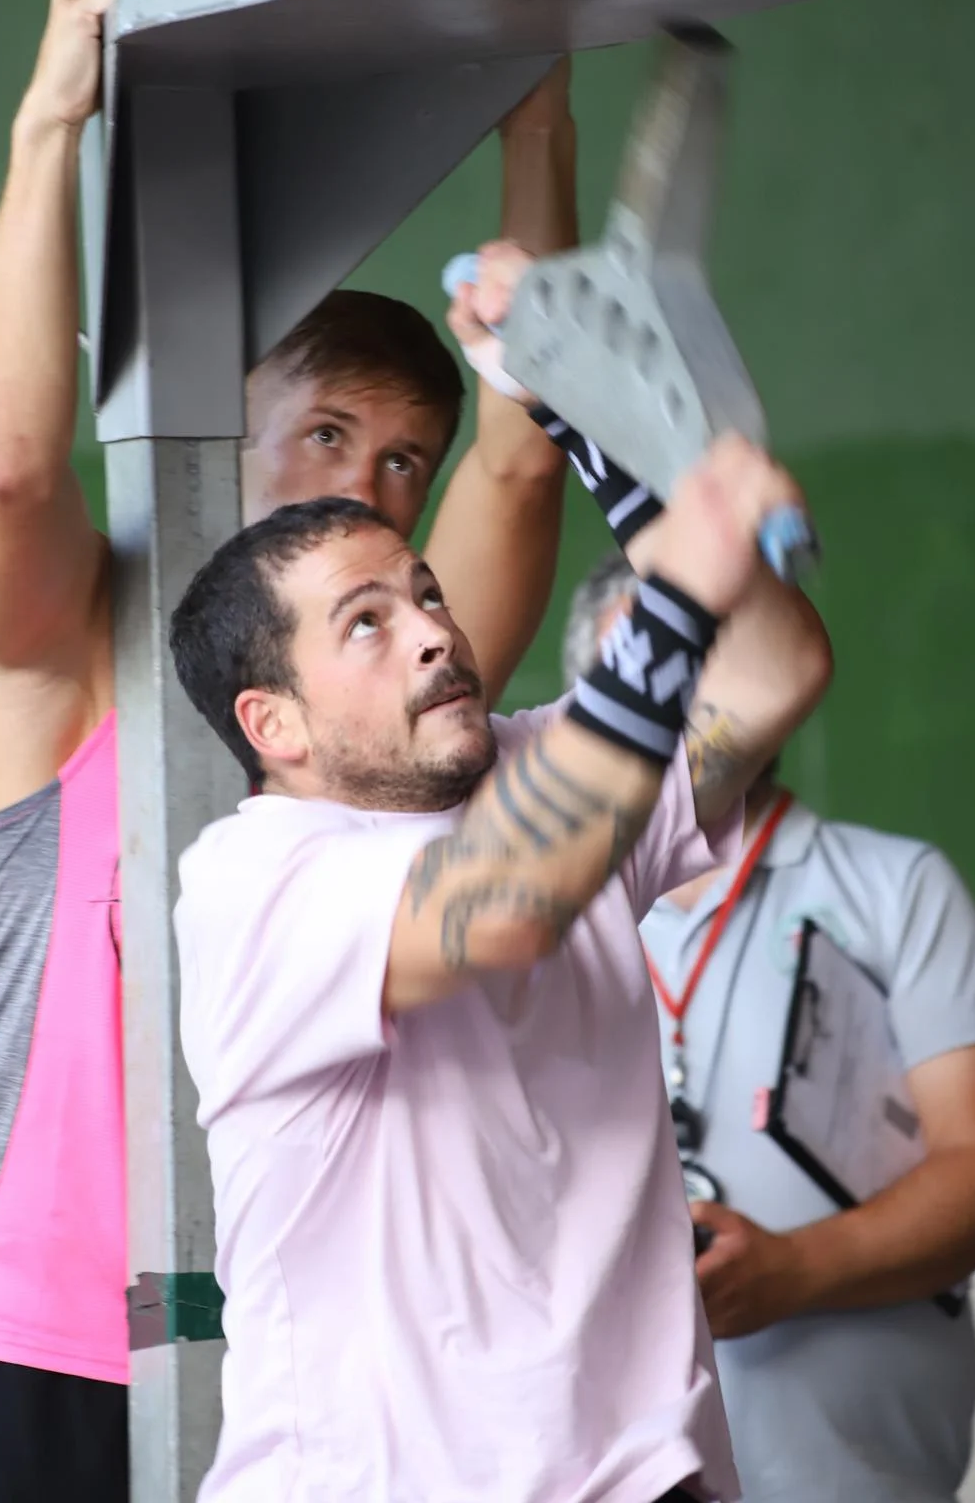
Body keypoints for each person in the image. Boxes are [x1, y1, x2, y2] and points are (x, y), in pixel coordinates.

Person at [0, 0, 579, 1501]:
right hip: (45, 1339)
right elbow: (17, 468)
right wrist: (50, 126)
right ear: (221, 426)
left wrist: (538, 119)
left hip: (315, 1360)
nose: (365, 487)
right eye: (325, 436)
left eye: (402, 463)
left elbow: (516, 473)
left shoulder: (398, 684)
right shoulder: (78, 656)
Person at [169, 419, 830, 1501]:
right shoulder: (251, 880)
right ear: (273, 724)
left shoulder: (544, 773)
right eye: (367, 623)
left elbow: (776, 671)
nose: (433, 633)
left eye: (427, 594)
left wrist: (596, 436)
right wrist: (673, 596)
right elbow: (507, 900)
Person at [565, 552, 975, 1503]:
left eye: (710, 662)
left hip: (860, 1479)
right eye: (645, 675)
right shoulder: (537, 928)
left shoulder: (897, 887)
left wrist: (794, 1270)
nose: (689, 706)